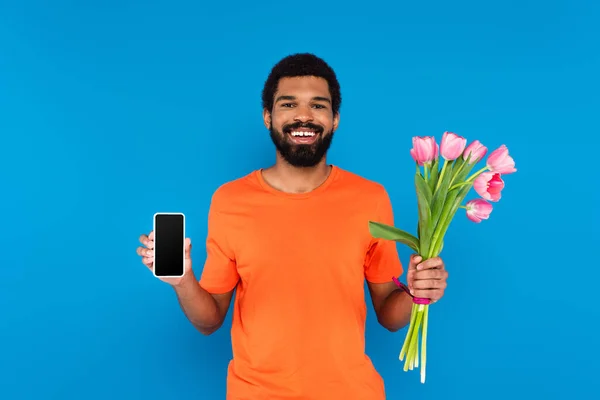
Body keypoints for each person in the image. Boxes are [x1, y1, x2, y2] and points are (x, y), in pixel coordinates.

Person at [136, 53, 448, 399]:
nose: (303, 116)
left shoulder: (370, 198)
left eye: (318, 106)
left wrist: (419, 292)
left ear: (335, 119)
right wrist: (182, 282)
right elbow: (209, 321)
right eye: (288, 104)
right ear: (268, 117)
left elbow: (389, 317)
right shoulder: (229, 201)